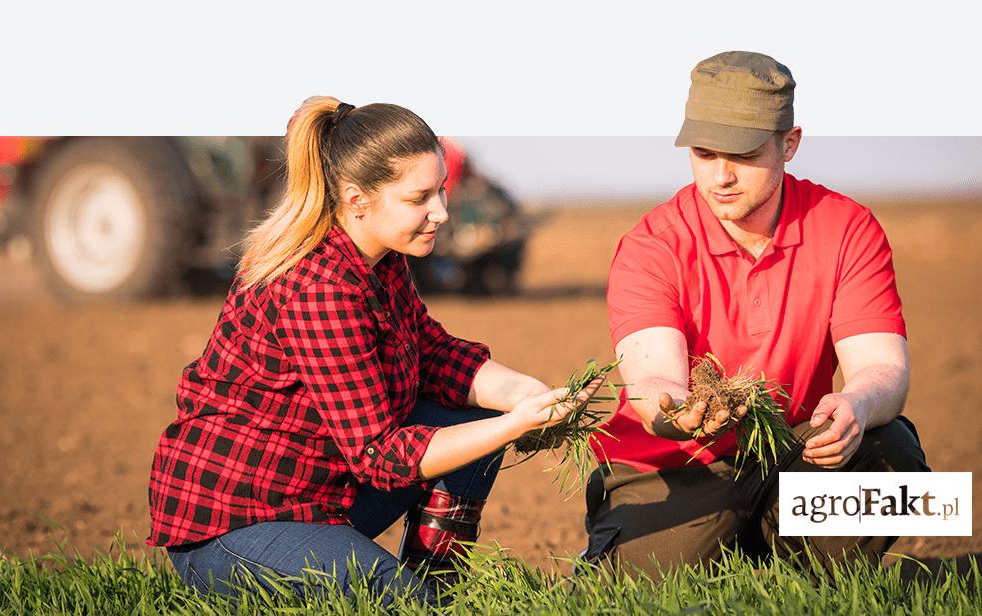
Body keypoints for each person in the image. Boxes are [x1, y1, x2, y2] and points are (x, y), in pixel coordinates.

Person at [147, 96, 603, 605]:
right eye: (420, 198)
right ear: (357, 199)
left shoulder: (379, 259)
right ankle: (419, 598)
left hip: (318, 495)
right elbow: (379, 455)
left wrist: (523, 393)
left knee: (468, 423)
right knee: (402, 600)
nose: (441, 213)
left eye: (442, 192)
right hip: (238, 526)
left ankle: (438, 589)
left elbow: (432, 355)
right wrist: (513, 424)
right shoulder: (317, 286)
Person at [583, 51, 929, 577]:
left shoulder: (848, 228)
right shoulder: (651, 246)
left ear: (789, 145)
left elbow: (883, 368)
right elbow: (652, 375)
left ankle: (792, 560)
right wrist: (681, 410)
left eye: (742, 154)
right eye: (703, 152)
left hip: (793, 450)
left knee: (896, 455)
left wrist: (857, 404)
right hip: (672, 465)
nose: (720, 176)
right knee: (640, 587)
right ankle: (734, 550)